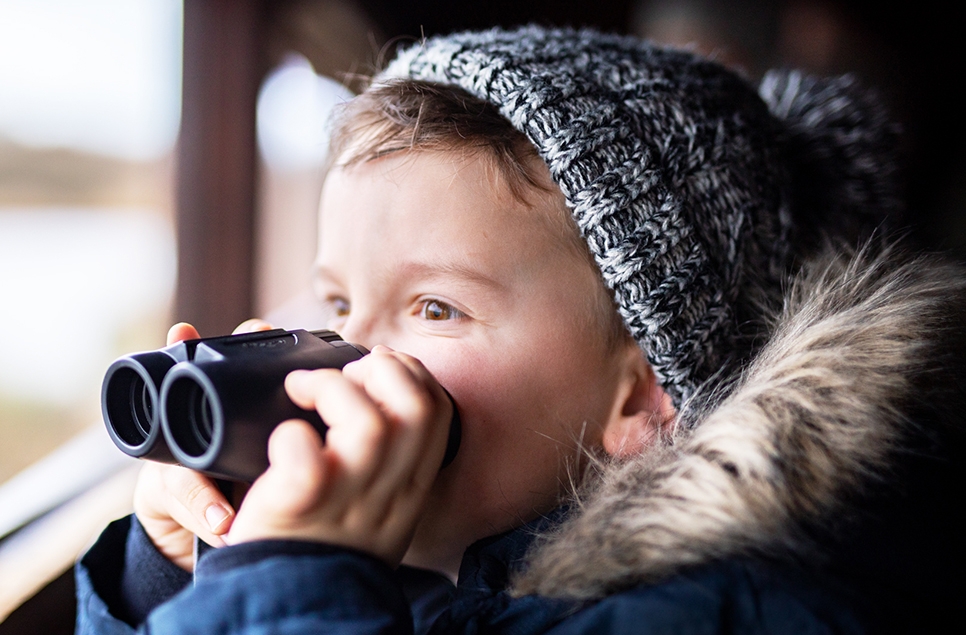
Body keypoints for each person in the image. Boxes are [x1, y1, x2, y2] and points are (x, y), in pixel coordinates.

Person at [75, 25, 966, 634]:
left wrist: (284, 586)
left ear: (641, 390)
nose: (352, 362)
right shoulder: (427, 570)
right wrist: (176, 569)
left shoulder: (734, 610)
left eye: (436, 309)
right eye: (341, 307)